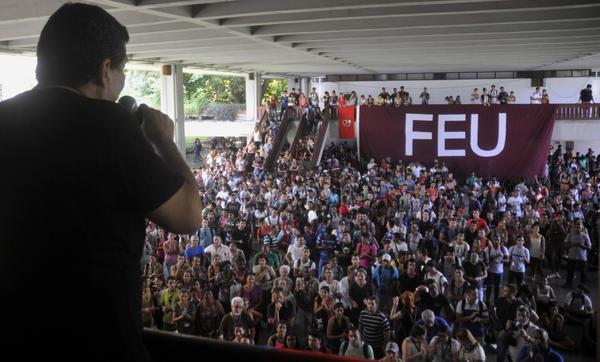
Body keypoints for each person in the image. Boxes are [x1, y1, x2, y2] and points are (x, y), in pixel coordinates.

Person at [0, 4, 203, 359]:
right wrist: (163, 141)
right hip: (98, 342)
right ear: (105, 70)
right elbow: (188, 216)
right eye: (122, 70)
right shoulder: (109, 124)